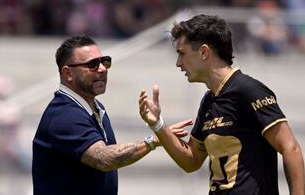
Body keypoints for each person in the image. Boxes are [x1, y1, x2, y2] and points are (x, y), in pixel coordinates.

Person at [139, 14, 305, 194]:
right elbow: (191, 161)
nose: (178, 63)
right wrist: (157, 125)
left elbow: (291, 148)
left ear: (204, 52)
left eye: (181, 53)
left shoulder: (249, 90)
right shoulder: (209, 101)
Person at [32, 35, 188, 195]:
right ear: (68, 74)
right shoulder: (64, 115)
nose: (102, 68)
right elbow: (105, 159)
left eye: (104, 61)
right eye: (92, 64)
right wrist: (155, 140)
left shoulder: (95, 108)